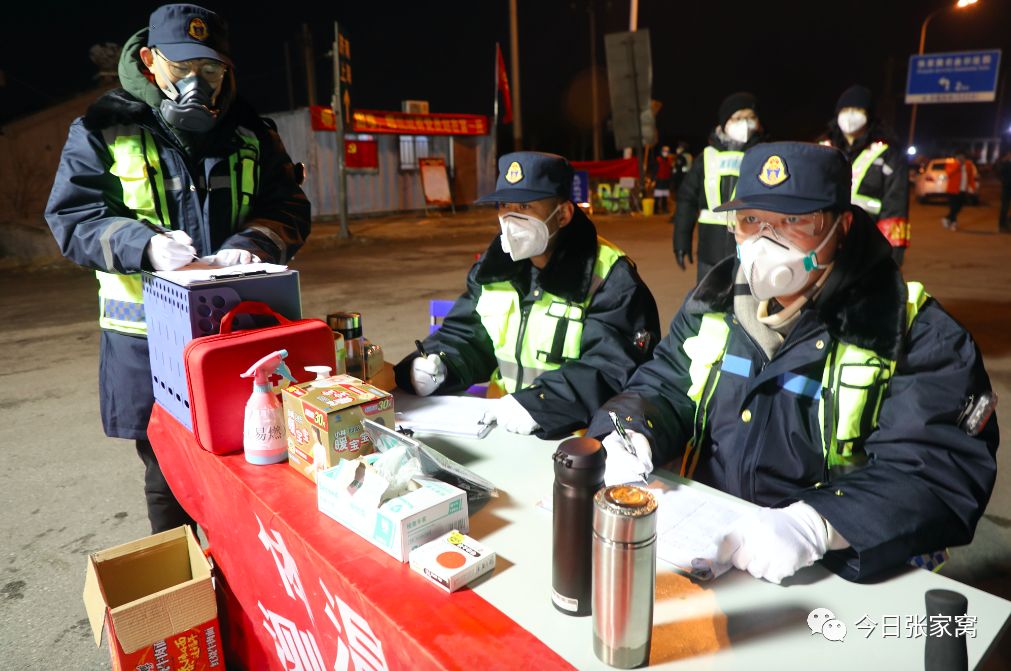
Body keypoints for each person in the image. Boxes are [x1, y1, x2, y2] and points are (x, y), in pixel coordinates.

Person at [591, 142, 998, 584]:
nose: (766, 240)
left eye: (793, 221)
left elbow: (936, 471)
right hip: (711, 546)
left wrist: (821, 523)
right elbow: (665, 384)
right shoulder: (713, 304)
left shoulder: (910, 330)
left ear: (841, 226)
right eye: (750, 221)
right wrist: (630, 430)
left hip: (835, 569)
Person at [45, 4, 310, 533]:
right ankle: (185, 575)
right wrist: (143, 245)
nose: (198, 82)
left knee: (253, 459)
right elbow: (73, 217)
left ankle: (240, 570)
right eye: (183, 67)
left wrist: (254, 242)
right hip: (146, 342)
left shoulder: (250, 129)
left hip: (237, 334)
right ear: (149, 61)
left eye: (211, 69)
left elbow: (289, 204)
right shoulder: (103, 126)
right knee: (168, 475)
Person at [393, 151, 660, 439]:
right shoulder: (494, 269)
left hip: (578, 439)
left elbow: (612, 366)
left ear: (563, 214)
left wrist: (541, 403)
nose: (510, 220)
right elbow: (470, 334)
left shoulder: (609, 277)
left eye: (524, 206)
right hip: (500, 426)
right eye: (503, 206)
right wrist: (441, 362)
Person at [672, 92, 767, 282]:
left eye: (750, 117)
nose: (745, 123)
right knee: (708, 300)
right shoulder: (706, 157)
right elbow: (686, 200)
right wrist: (681, 241)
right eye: (738, 118)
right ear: (725, 123)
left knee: (746, 300)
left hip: (751, 254)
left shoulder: (766, 156)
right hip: (710, 253)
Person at [819, 85, 909, 266]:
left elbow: (895, 206)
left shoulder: (887, 154)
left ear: (869, 115)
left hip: (868, 245)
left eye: (857, 110)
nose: (850, 116)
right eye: (845, 110)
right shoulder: (821, 150)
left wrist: (891, 257)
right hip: (823, 242)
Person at [942, 150, 977, 231]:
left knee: (959, 207)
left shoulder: (968, 164)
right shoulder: (951, 164)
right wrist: (958, 165)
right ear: (956, 157)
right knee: (953, 207)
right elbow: (949, 173)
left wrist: (973, 187)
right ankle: (953, 223)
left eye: (962, 156)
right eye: (959, 156)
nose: (961, 158)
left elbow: (970, 177)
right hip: (952, 190)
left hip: (963, 189)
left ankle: (947, 219)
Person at [652, 146, 675, 215]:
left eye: (667, 151)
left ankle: (664, 208)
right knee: (657, 195)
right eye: (664, 151)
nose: (665, 153)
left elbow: (670, 171)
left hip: (666, 180)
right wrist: (653, 179)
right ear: (661, 152)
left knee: (665, 195)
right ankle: (655, 209)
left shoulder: (669, 161)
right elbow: (654, 170)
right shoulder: (658, 160)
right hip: (659, 180)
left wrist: (671, 180)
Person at [995, 149, 1011, 233]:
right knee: (1005, 206)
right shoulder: (1003, 163)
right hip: (1007, 187)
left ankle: (1006, 223)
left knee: (1005, 206)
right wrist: (1004, 181)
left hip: (1007, 186)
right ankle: (1002, 225)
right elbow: (998, 172)